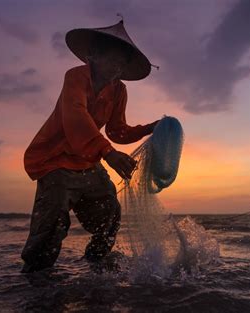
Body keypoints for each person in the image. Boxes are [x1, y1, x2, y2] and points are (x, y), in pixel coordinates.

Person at [20, 19, 159, 273]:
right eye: (112, 59)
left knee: (110, 214)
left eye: (122, 63)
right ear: (93, 56)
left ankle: (95, 266)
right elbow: (76, 115)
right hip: (56, 160)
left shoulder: (119, 91)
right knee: (51, 227)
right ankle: (36, 283)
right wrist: (108, 153)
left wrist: (150, 127)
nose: (117, 67)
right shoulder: (75, 77)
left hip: (87, 162)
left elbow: (117, 130)